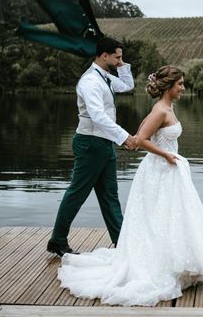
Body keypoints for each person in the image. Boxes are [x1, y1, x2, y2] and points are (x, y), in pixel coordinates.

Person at [57, 65, 203, 306]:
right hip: (160, 170)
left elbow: (141, 134)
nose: (183, 88)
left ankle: (171, 261)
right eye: (180, 84)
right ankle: (158, 265)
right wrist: (167, 155)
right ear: (168, 86)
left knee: (168, 217)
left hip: (167, 171)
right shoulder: (160, 110)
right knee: (159, 218)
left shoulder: (166, 107)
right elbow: (140, 140)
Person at [47, 37, 136, 257]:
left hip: (104, 144)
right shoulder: (89, 82)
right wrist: (124, 137)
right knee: (77, 193)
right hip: (90, 144)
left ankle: (121, 243)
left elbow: (127, 85)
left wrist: (122, 65)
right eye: (117, 57)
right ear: (103, 55)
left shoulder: (105, 77)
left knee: (110, 196)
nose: (119, 61)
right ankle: (57, 241)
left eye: (120, 57)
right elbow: (97, 116)